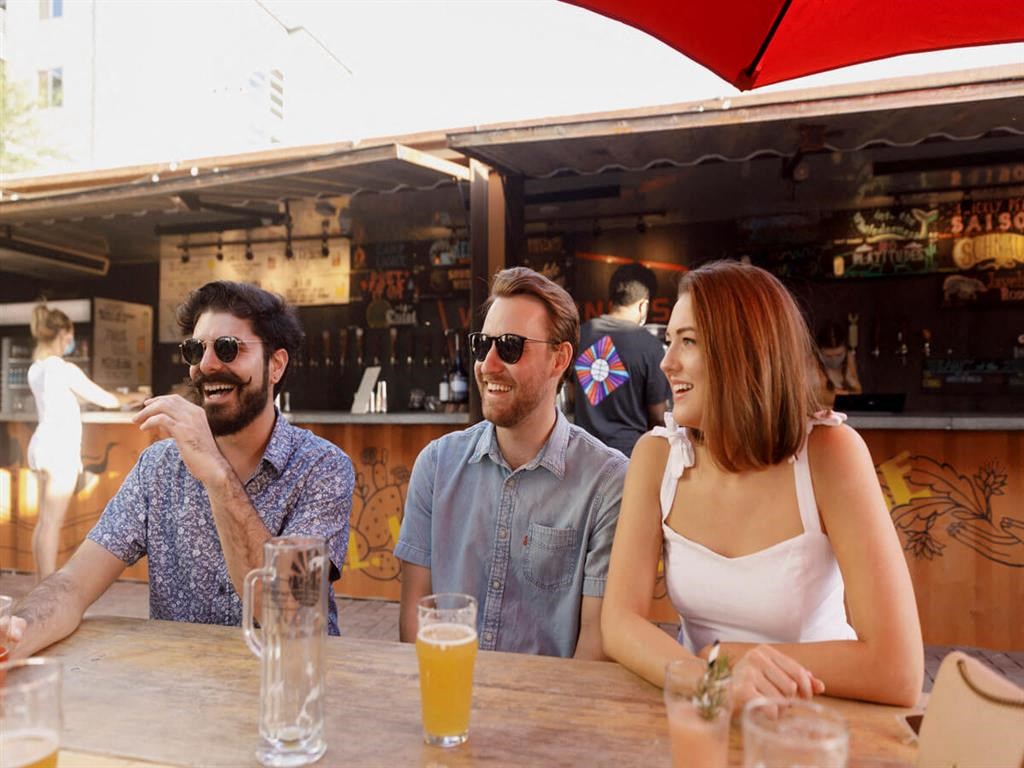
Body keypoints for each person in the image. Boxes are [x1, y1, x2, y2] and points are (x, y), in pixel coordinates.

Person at [601, 260, 923, 708]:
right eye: (669, 341)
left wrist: (729, 658)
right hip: (707, 708)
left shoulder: (830, 455)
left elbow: (898, 670)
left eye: (688, 341)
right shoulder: (656, 457)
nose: (667, 363)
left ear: (746, 351)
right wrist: (706, 680)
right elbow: (619, 621)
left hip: (820, 715)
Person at [5, 281, 354, 658]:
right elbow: (73, 585)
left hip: (289, 693)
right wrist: (15, 634)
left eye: (227, 348)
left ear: (276, 365)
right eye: (195, 349)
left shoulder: (322, 467)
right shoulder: (159, 467)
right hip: (183, 697)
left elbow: (288, 613)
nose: (205, 365)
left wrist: (217, 476)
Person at [395, 267, 627, 659]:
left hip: (548, 712)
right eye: (482, 345)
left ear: (560, 359)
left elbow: (595, 643)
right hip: (451, 698)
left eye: (509, 346)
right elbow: (418, 612)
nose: (488, 364)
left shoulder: (606, 482)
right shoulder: (437, 465)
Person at [27, 304, 139, 582]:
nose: (71, 341)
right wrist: (132, 397)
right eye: (70, 335)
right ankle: (46, 589)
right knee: (52, 523)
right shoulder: (62, 368)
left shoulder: (36, 369)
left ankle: (39, 583)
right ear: (63, 333)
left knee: (44, 522)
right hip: (59, 448)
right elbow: (105, 399)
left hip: (40, 444)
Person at [574, 263, 670, 457]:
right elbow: (659, 417)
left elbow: (568, 395)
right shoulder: (650, 346)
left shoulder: (580, 335)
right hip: (629, 460)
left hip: (582, 456)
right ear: (644, 304)